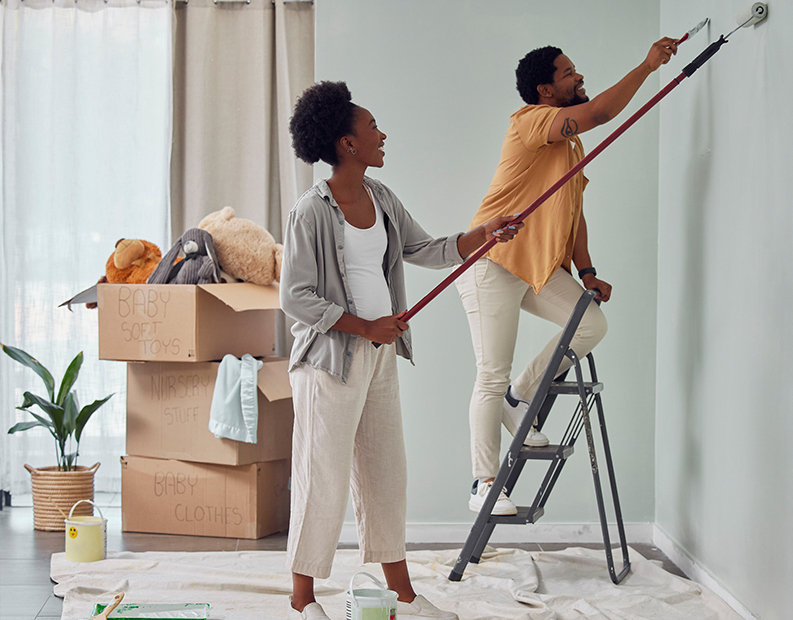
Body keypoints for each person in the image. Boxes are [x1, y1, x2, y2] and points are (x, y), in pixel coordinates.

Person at [282, 81, 521, 620]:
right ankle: (302, 601)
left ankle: (404, 597)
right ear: (347, 143)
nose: (381, 134)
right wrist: (363, 326)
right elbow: (294, 297)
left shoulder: (383, 198)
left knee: (386, 475)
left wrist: (484, 233)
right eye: (371, 128)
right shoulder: (310, 211)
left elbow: (424, 249)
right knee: (322, 481)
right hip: (328, 365)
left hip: (379, 357)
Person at [456, 38, 679, 516]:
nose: (579, 77)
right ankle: (483, 484)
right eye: (568, 73)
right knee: (489, 373)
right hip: (493, 263)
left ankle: (522, 397)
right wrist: (647, 65)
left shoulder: (570, 145)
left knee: (591, 324)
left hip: (535, 267)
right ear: (546, 90)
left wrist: (588, 270)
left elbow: (574, 211)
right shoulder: (529, 122)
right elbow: (600, 113)